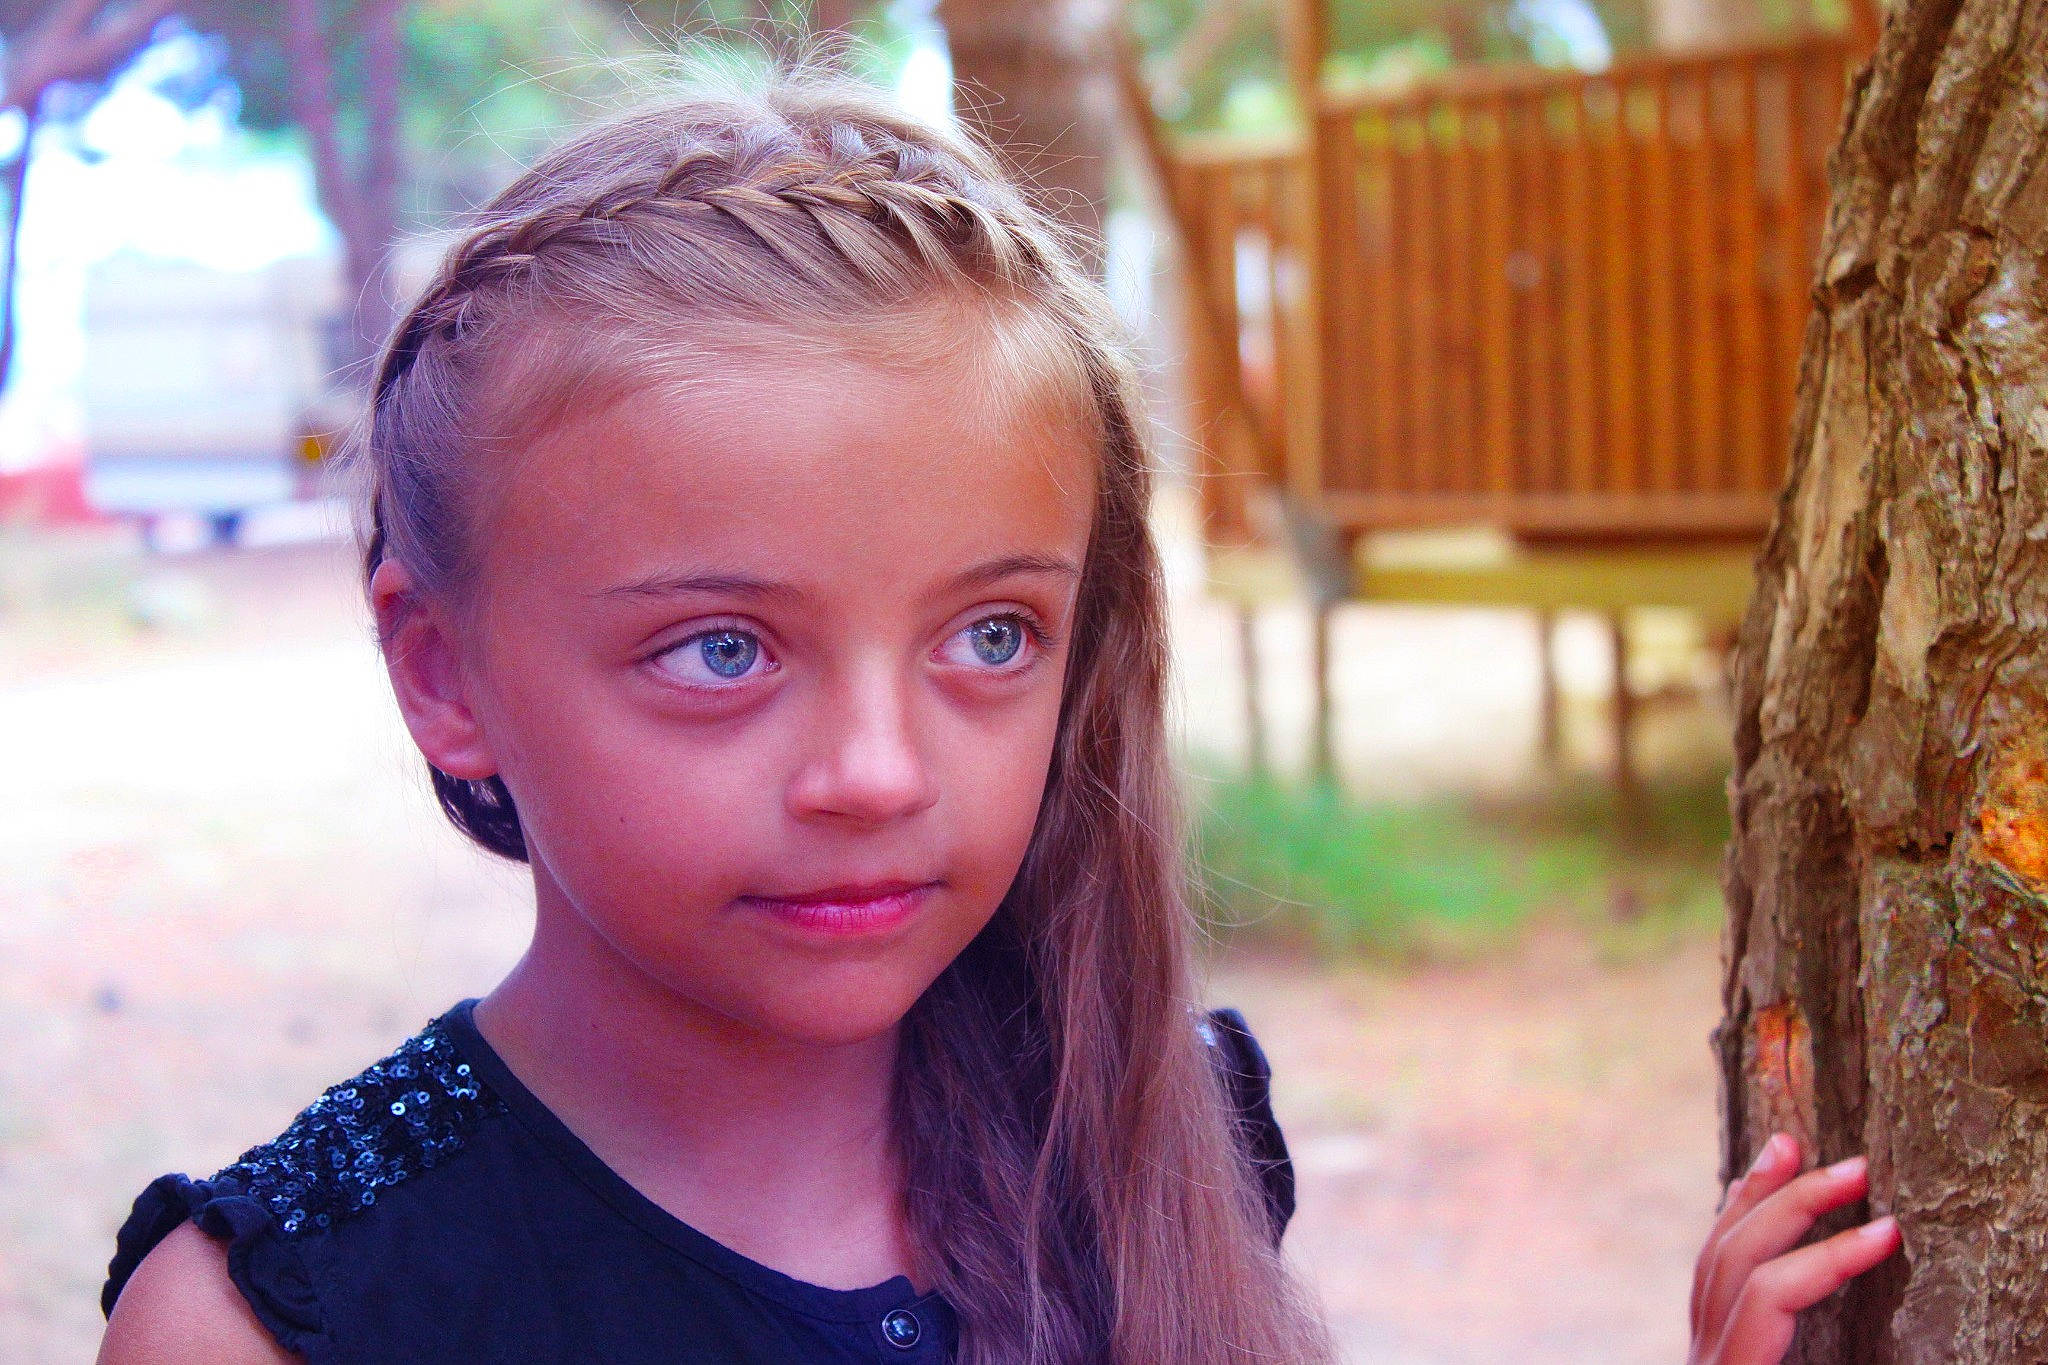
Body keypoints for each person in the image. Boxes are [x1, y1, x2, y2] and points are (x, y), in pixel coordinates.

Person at [94, 37, 1898, 1365]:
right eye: (722, 650)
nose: (880, 773)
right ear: (443, 670)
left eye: (989, 639)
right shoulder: (272, 1322)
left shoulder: (1159, 1133)